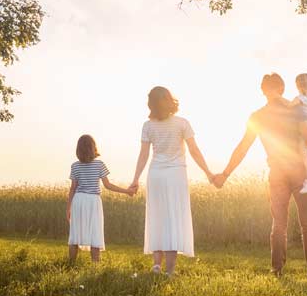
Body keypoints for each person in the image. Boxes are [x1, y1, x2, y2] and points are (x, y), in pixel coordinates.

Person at [213, 73, 307, 278]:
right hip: (301, 171)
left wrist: (225, 174)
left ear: (263, 90)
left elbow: (243, 148)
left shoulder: (257, 116)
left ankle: (276, 270)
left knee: (279, 224)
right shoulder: (296, 109)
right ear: (282, 88)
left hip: (277, 172)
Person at [129, 86, 213, 275]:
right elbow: (194, 151)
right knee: (173, 219)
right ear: (169, 100)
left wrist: (135, 179)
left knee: (158, 218)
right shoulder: (182, 123)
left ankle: (157, 265)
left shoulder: (147, 125)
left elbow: (143, 155)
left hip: (156, 175)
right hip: (176, 175)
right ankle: (169, 270)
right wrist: (208, 172)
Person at [67, 134, 135, 263]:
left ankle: (71, 264)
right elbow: (108, 185)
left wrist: (68, 208)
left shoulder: (75, 166)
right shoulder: (99, 164)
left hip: (78, 200)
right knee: (95, 233)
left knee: (75, 234)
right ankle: (95, 266)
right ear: (93, 148)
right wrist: (127, 191)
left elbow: (72, 188)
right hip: (93, 201)